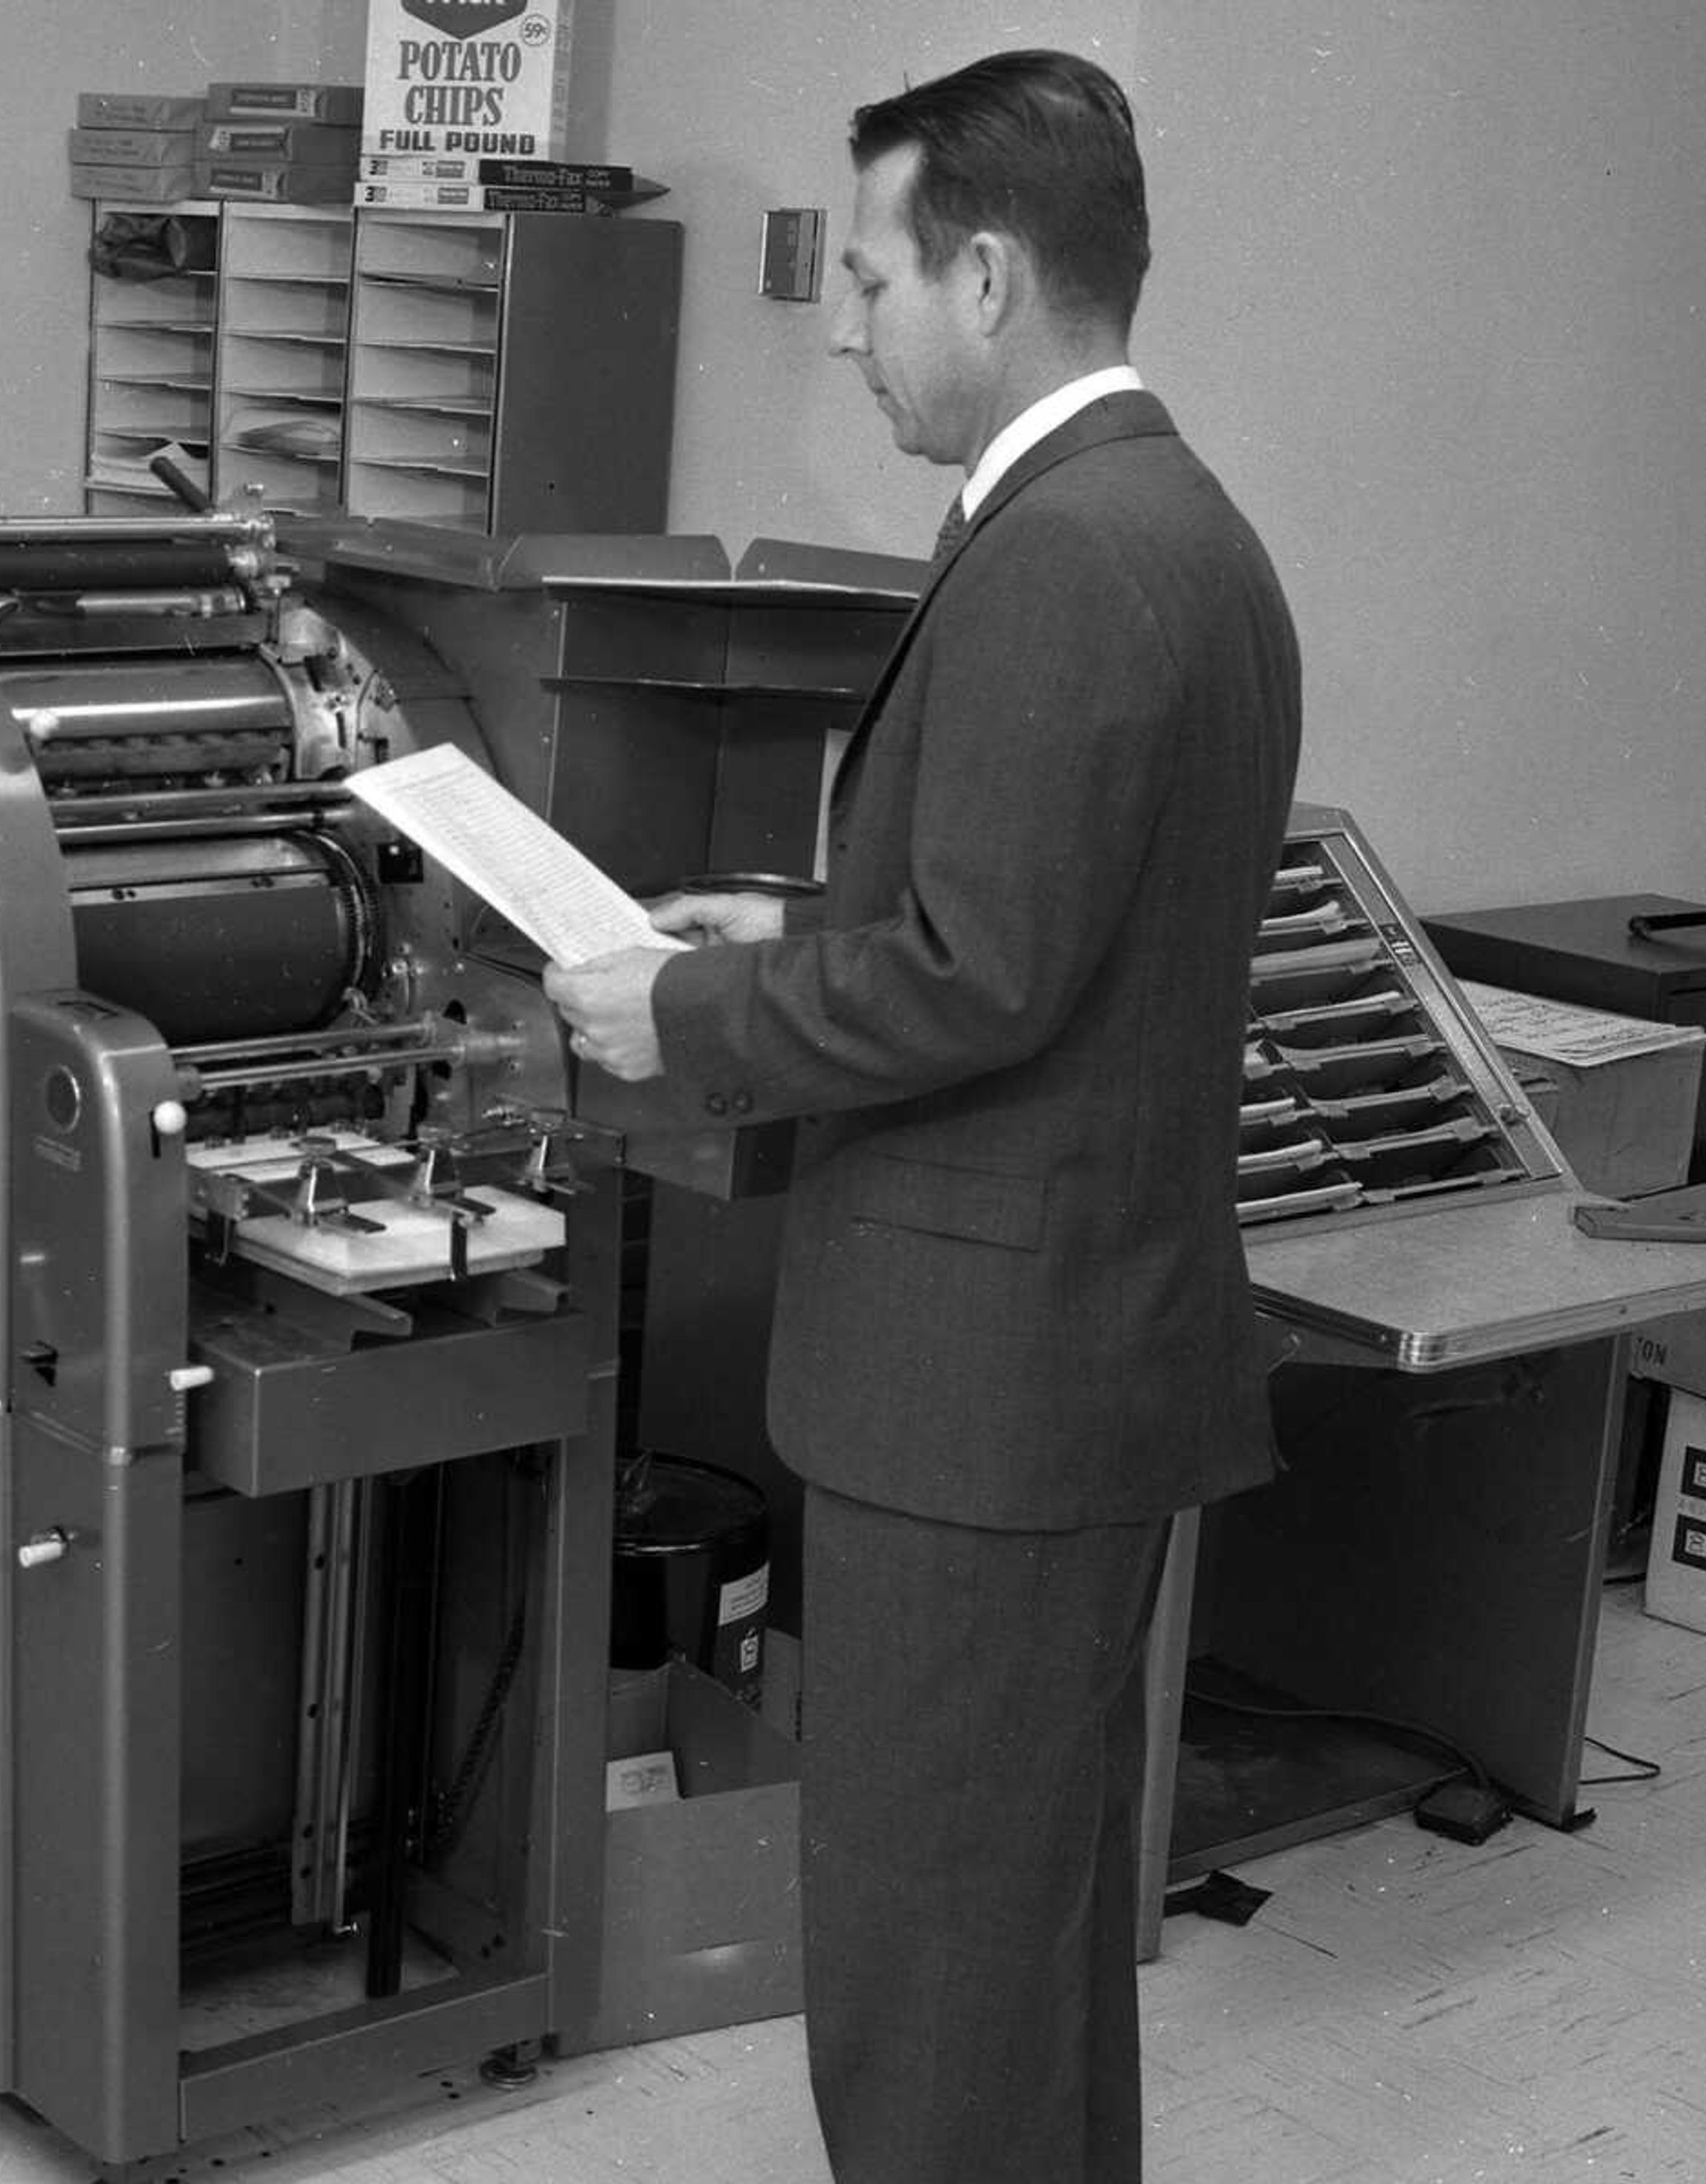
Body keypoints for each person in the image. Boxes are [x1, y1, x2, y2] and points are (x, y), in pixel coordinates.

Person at [545, 50, 1302, 2184]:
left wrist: (677, 1007)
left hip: (982, 1395)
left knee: (924, 1975)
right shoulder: (1178, 531)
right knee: (1025, 1953)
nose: (849, 323)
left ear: (987, 273)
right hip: (1069, 1356)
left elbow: (981, 977)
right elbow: (1042, 909)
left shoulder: (1069, 557)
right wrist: (787, 916)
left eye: (871, 279)